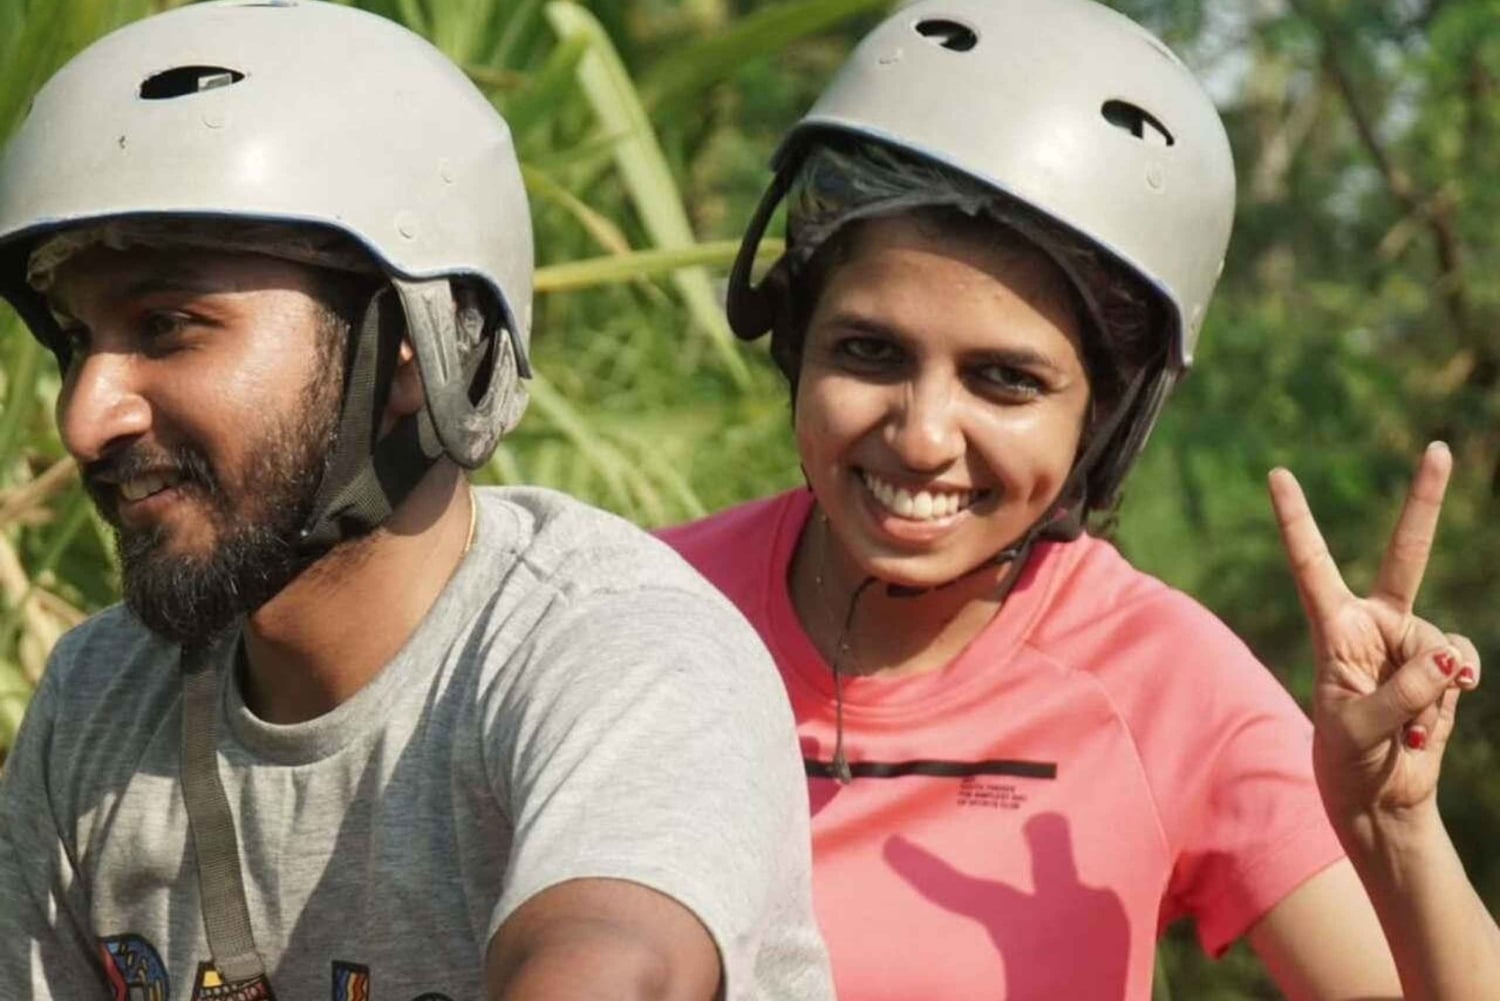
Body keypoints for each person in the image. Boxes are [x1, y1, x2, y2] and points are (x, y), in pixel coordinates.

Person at [661, 0, 1496, 997]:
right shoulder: (643, 613)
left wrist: (1392, 831)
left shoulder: (1158, 679)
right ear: (795, 341)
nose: (924, 435)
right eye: (869, 351)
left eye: (1005, 380)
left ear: (1106, 414)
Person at [0, 3, 832, 1000]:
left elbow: (620, 960)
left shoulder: (617, 656)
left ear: (414, 348)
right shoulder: (100, 699)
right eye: (78, 339)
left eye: (170, 323)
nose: (86, 415)